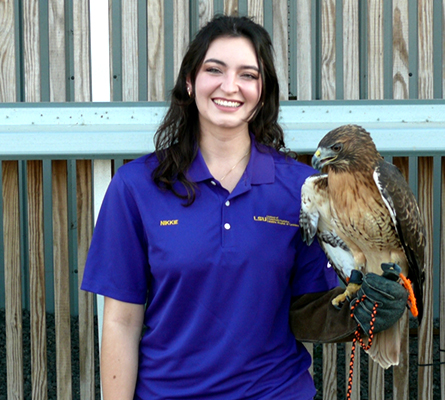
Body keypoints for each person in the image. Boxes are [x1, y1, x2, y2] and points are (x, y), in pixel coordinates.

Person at [81, 15, 407, 399]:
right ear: (190, 82)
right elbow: (121, 321)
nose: (230, 86)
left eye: (248, 75)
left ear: (263, 90)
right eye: (214, 70)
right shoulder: (137, 186)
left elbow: (305, 310)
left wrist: (359, 309)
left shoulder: (300, 188)